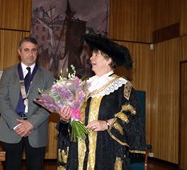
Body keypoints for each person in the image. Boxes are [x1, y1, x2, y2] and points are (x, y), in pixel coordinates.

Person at [57, 33, 146, 170]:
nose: (90, 58)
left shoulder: (122, 87)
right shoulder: (83, 85)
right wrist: (65, 118)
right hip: (78, 149)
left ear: (109, 60)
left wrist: (106, 123)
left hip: (106, 149)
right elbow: (73, 115)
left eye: (95, 55)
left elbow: (131, 115)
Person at [0, 37, 55, 170]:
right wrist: (17, 124)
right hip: (11, 128)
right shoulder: (8, 73)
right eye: (26, 50)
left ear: (37, 52)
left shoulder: (47, 76)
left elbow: (49, 104)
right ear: (19, 52)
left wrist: (30, 123)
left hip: (36, 129)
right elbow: (2, 101)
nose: (30, 54)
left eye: (34, 50)